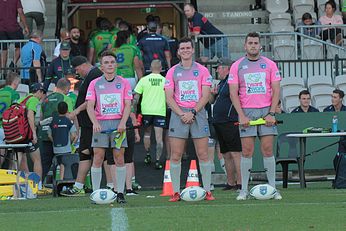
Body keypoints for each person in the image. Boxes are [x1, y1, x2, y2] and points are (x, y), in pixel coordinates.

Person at [228, 32, 282, 200]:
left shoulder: (270, 65)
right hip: (247, 111)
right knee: (247, 151)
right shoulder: (237, 66)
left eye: (255, 43)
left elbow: (276, 90)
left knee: (267, 150)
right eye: (250, 43)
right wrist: (241, 115)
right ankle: (243, 190)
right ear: (245, 46)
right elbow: (233, 93)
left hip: (266, 111)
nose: (253, 45)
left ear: (260, 46)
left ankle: (273, 189)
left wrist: (272, 113)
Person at [164, 37, 215, 202]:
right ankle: (175, 192)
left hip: (198, 114)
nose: (185, 50)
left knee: (203, 154)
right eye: (182, 48)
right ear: (178, 52)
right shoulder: (172, 71)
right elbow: (169, 98)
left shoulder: (202, 71)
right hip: (178, 114)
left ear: (193, 50)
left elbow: (206, 95)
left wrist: (192, 112)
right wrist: (181, 114)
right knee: (176, 154)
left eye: (188, 48)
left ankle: (207, 190)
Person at [86, 51, 132, 204]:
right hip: (101, 124)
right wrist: (95, 123)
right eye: (106, 62)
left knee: (119, 158)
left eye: (112, 62)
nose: (110, 65)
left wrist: (123, 123)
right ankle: (96, 193)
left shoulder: (124, 83)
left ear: (116, 64)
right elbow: (90, 106)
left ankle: (120, 192)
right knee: (98, 157)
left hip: (118, 124)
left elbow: (127, 105)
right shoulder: (95, 84)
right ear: (101, 66)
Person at [61, 56, 104, 196]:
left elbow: (92, 99)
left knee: (101, 155)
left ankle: (111, 186)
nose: (77, 72)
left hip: (94, 123)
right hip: (87, 124)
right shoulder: (90, 76)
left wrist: (77, 110)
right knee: (85, 152)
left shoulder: (95, 75)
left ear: (84, 65)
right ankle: (79, 186)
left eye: (77, 69)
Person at [210, 58, 242, 190]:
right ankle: (231, 182)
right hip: (220, 121)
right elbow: (212, 101)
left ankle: (240, 182)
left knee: (235, 153)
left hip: (230, 120)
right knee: (226, 153)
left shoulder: (232, 81)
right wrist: (214, 94)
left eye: (219, 67)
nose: (217, 70)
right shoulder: (223, 82)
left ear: (226, 68)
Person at [39, 78, 75, 184]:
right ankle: (62, 184)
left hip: (46, 134)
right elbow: (70, 117)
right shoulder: (65, 98)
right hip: (61, 136)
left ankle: (41, 186)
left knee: (45, 162)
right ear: (67, 88)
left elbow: (41, 118)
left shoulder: (46, 99)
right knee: (63, 162)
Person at [134, 60, 166, 169]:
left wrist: (134, 111)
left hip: (146, 111)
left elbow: (136, 98)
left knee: (147, 134)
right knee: (159, 138)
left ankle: (147, 155)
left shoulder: (144, 80)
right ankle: (157, 160)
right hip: (160, 111)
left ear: (150, 68)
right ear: (161, 68)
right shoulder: (165, 81)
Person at [17, 83, 48, 194]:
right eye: (43, 92)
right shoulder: (34, 99)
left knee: (20, 159)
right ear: (38, 91)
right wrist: (33, 133)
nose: (43, 95)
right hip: (27, 134)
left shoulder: (23, 98)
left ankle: (23, 184)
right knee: (37, 159)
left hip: (17, 135)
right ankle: (38, 185)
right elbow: (30, 115)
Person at [0, 0, 29, 69]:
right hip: (13, 27)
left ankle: (2, 70)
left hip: (1, 28)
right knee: (20, 45)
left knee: (4, 49)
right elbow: (20, 12)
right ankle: (13, 62)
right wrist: (25, 26)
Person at [0, 72, 20, 168]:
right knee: (13, 154)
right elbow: (15, 112)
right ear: (15, 82)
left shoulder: (0, 92)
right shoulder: (14, 94)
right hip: (8, 128)